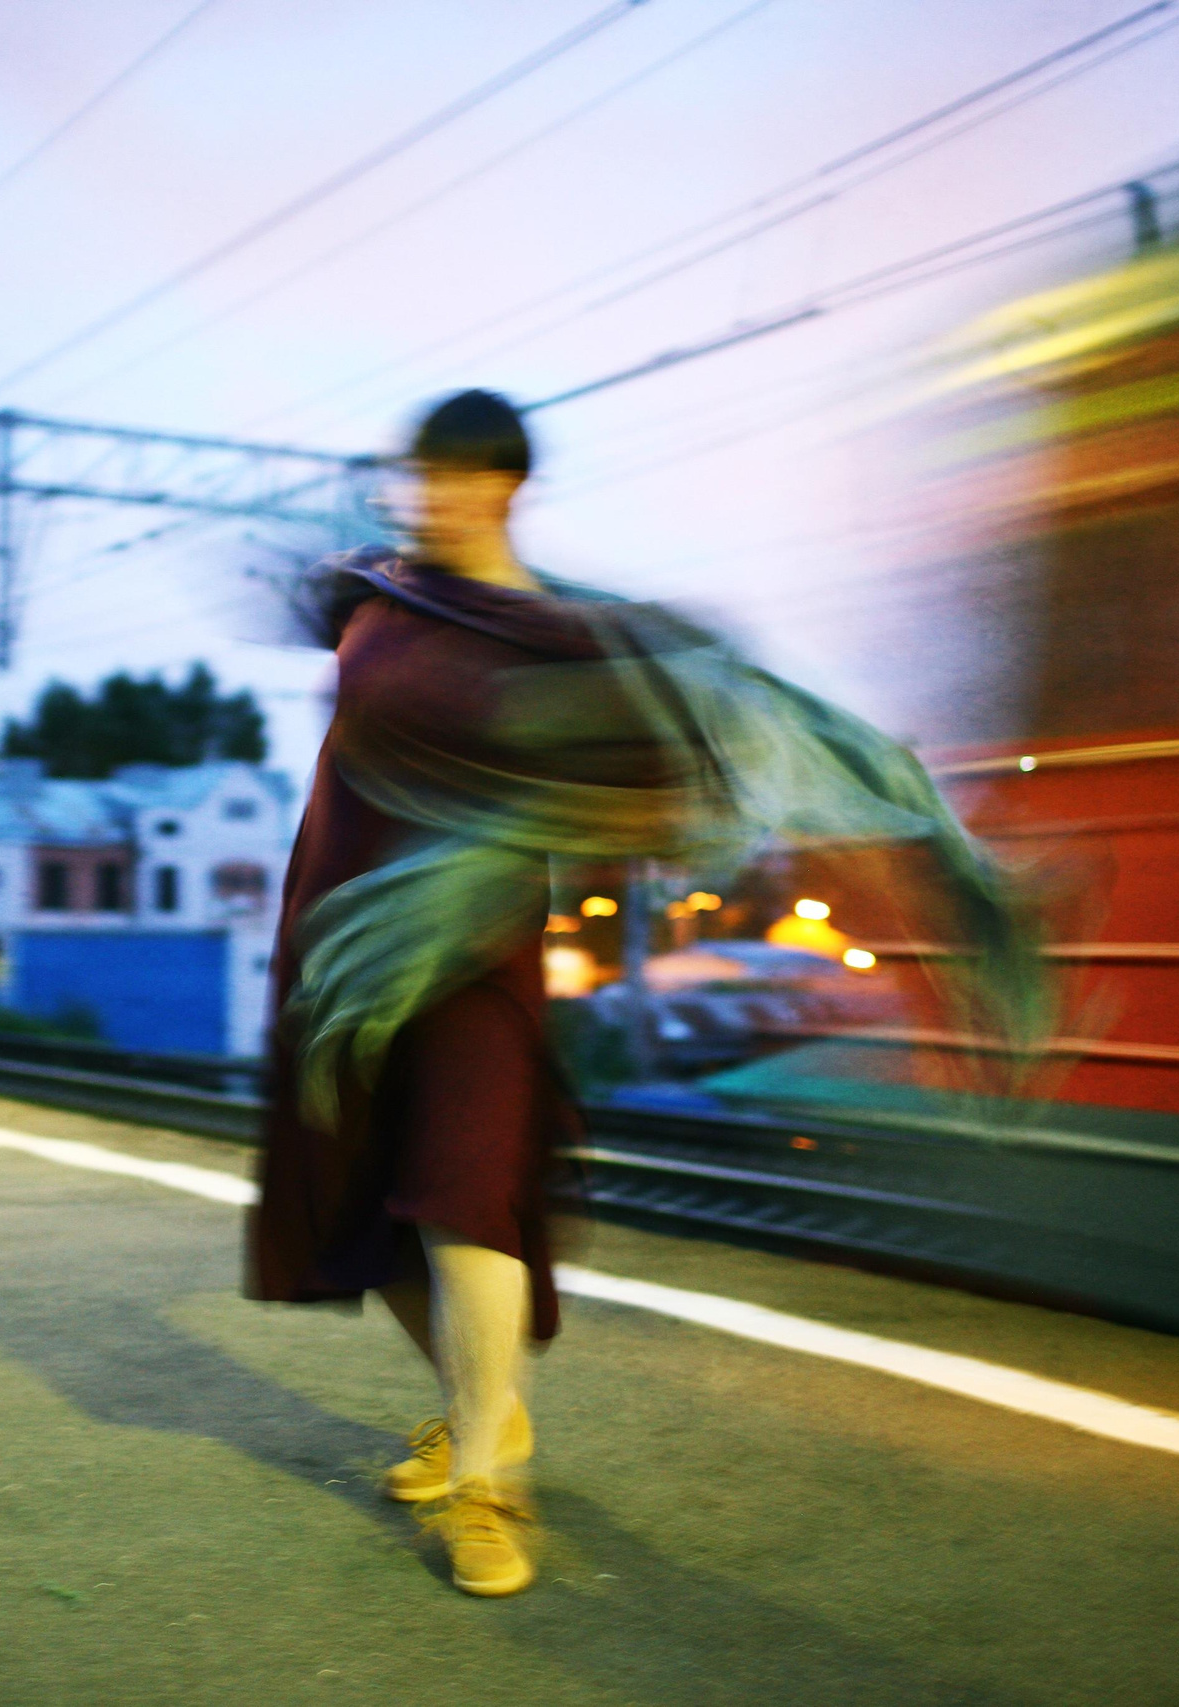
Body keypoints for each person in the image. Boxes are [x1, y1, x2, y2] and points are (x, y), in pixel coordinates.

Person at [247, 390, 1041, 1599]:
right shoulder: (376, 596)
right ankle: (487, 1418)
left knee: (464, 1195)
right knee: (367, 1209)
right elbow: (305, 601)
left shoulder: (568, 639)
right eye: (421, 478)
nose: (434, 500)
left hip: (472, 949)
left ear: (507, 490)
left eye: (460, 480)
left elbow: (675, 775)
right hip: (339, 935)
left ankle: (483, 1488)